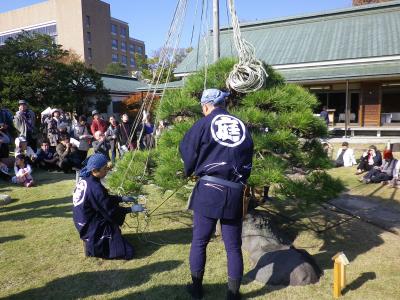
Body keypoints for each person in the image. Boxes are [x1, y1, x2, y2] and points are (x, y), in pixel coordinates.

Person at [179, 88, 254, 300]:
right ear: (224, 104)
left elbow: (187, 150)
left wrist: (189, 170)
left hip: (209, 190)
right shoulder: (241, 125)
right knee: (233, 246)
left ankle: (196, 289)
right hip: (235, 190)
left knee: (200, 241)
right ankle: (232, 294)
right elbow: (249, 156)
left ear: (205, 106)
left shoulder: (203, 124)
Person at [72, 153, 145, 259]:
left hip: (82, 220)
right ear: (95, 170)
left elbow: (103, 200)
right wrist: (130, 209)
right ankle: (95, 245)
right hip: (90, 226)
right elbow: (110, 210)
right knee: (128, 252)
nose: (107, 171)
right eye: (104, 169)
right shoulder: (95, 188)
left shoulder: (86, 180)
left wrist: (121, 198)